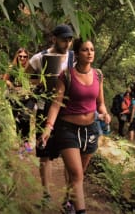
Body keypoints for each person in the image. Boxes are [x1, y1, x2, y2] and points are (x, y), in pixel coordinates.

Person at [41, 37, 111, 214]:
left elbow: (100, 103)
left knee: (77, 176)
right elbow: (56, 104)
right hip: (68, 130)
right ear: (77, 53)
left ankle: (68, 203)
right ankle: (81, 210)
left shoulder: (98, 75)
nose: (89, 53)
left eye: (92, 50)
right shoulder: (66, 76)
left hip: (92, 130)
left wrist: (105, 114)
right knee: (77, 175)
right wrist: (48, 127)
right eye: (85, 50)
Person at [25, 24, 74, 205]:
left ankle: (68, 200)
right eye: (64, 39)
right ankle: (46, 195)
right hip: (45, 108)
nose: (67, 43)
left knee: (69, 154)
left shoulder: (73, 59)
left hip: (67, 109)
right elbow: (24, 78)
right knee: (44, 153)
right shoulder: (40, 58)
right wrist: (41, 81)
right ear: (54, 38)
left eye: (70, 39)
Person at [3, 48, 35, 152]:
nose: (22, 58)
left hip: (28, 97)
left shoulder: (31, 68)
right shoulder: (13, 67)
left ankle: (26, 142)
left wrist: (29, 89)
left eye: (24, 56)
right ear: (17, 57)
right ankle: (22, 144)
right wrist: (11, 85)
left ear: (27, 57)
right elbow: (5, 79)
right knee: (18, 120)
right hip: (15, 97)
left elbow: (36, 81)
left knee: (25, 118)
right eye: (20, 56)